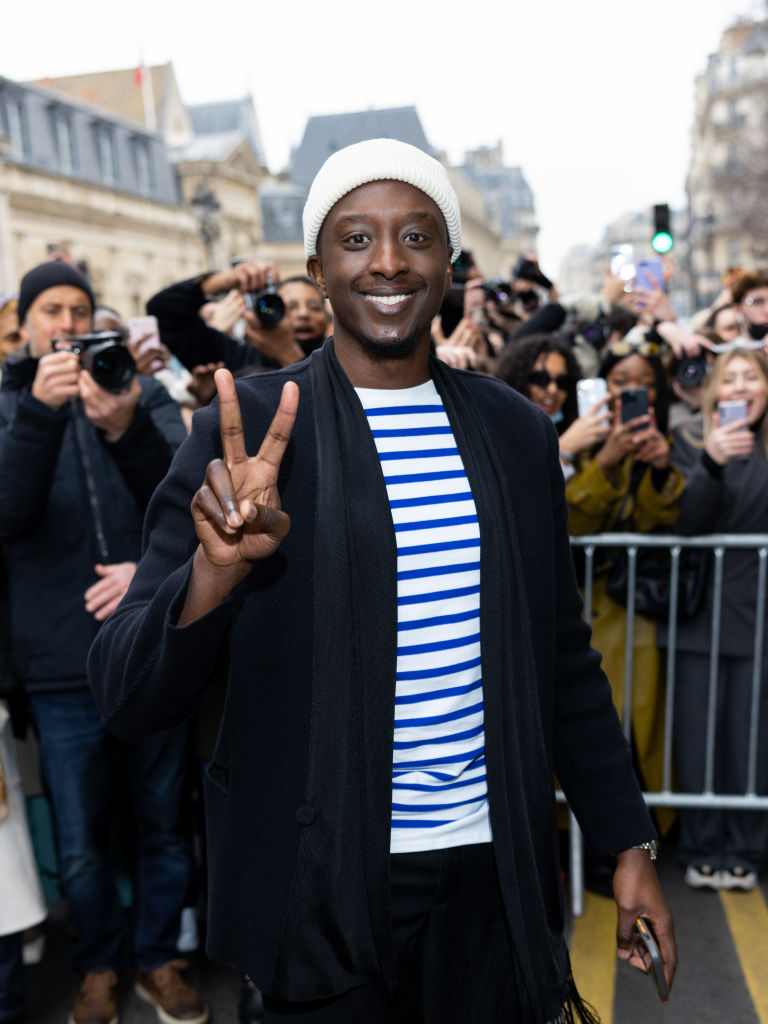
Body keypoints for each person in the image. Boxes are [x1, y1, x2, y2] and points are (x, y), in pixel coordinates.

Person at [89, 139, 676, 1023]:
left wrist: (628, 842)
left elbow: (560, 656)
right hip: (317, 881)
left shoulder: (514, 433)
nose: (390, 261)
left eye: (416, 235)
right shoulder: (246, 429)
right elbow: (126, 695)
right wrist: (211, 575)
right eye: (356, 239)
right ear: (318, 270)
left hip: (493, 875)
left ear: (447, 263)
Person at [0, 261, 208, 1024]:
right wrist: (40, 415)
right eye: (49, 308)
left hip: (149, 644)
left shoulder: (137, 388)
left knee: (160, 818)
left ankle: (159, 959)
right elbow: (7, 515)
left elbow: (180, 499)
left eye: (78, 307)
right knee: (83, 839)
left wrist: (120, 423)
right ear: (23, 324)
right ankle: (96, 966)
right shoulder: (9, 403)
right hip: (58, 664)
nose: (64, 320)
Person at [565, 331, 684, 830]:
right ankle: (597, 835)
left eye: (643, 382)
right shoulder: (584, 438)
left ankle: (648, 828)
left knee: (647, 726)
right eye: (621, 380)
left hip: (648, 610)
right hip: (589, 607)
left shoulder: (671, 440)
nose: (633, 390)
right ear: (601, 385)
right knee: (598, 727)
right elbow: (571, 523)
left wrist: (659, 469)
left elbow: (670, 520)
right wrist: (607, 461)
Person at [669, 347, 768, 891]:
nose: (738, 387)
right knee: (699, 736)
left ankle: (747, 848)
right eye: (727, 378)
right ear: (712, 394)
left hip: (759, 614)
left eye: (749, 376)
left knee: (752, 738)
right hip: (700, 615)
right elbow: (684, 523)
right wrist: (711, 461)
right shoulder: (688, 444)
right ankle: (703, 845)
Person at [147, 266, 327, 378]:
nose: (304, 314)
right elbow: (162, 311)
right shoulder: (235, 358)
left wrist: (288, 355)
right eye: (291, 307)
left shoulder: (340, 361)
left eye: (314, 307)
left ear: (327, 317)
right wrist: (221, 282)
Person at [495, 335, 610, 477]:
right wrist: (564, 449)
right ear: (517, 380)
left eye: (562, 382)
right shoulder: (496, 433)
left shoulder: (576, 432)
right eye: (541, 379)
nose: (553, 389)